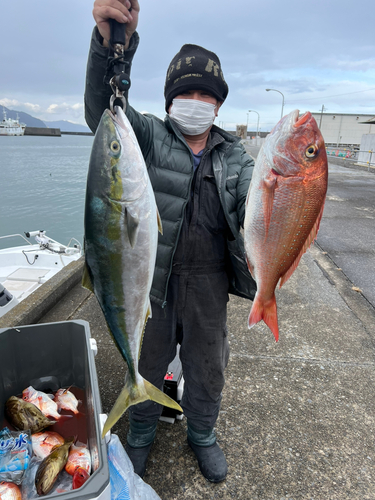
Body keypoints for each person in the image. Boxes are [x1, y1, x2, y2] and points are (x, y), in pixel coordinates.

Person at [85, 0, 256, 483]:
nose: (196, 101)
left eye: (206, 94)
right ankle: (140, 431)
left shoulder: (234, 154)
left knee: (208, 369)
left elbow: (252, 203)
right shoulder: (146, 136)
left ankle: (201, 433)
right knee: (146, 358)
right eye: (187, 92)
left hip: (209, 283)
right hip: (152, 282)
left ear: (219, 104)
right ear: (168, 101)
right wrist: (109, 45)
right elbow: (103, 109)